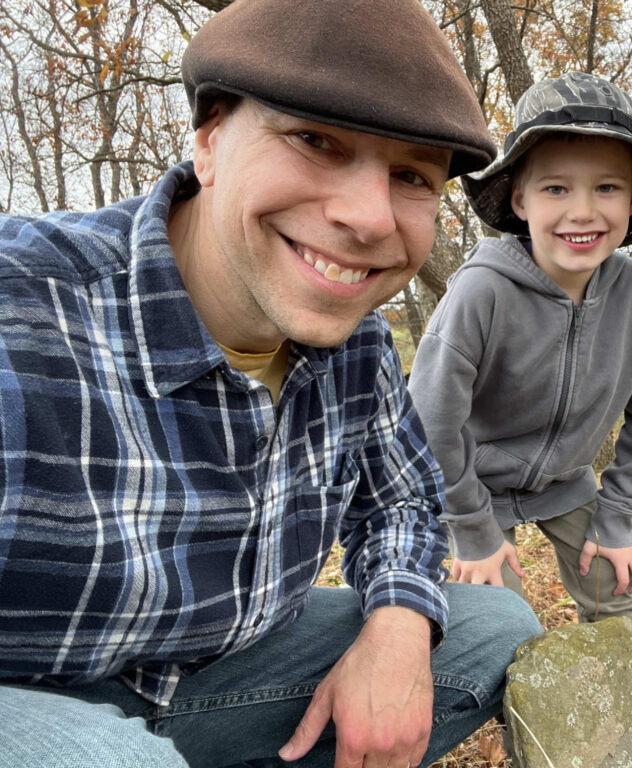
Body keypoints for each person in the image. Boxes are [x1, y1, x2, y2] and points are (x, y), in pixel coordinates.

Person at [0, 1, 541, 767]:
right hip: (28, 700)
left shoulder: (357, 344)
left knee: (493, 626)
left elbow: (401, 499)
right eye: (315, 140)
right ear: (210, 137)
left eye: (411, 175)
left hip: (205, 679)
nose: (366, 217)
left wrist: (397, 624)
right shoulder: (24, 306)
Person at [408, 71, 632, 624]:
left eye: (606, 188)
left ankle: (615, 699)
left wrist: (617, 517)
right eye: (556, 188)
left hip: (567, 481)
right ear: (519, 199)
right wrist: (471, 529)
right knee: (496, 613)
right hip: (471, 485)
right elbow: (430, 421)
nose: (583, 211)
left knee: (614, 586)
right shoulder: (481, 290)